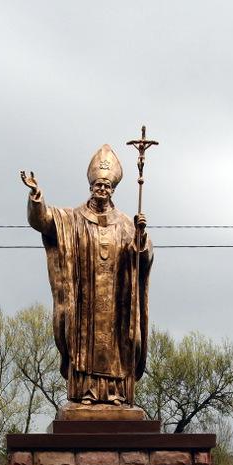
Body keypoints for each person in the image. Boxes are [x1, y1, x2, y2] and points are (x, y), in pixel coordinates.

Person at [21, 145, 153, 406]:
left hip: (116, 304)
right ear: (91, 187)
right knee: (84, 345)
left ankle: (115, 394)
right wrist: (36, 196)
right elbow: (43, 220)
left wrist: (140, 238)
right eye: (98, 185)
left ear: (113, 190)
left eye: (107, 186)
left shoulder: (126, 224)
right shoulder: (72, 219)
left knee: (117, 346)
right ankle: (86, 392)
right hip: (85, 302)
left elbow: (142, 258)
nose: (102, 189)